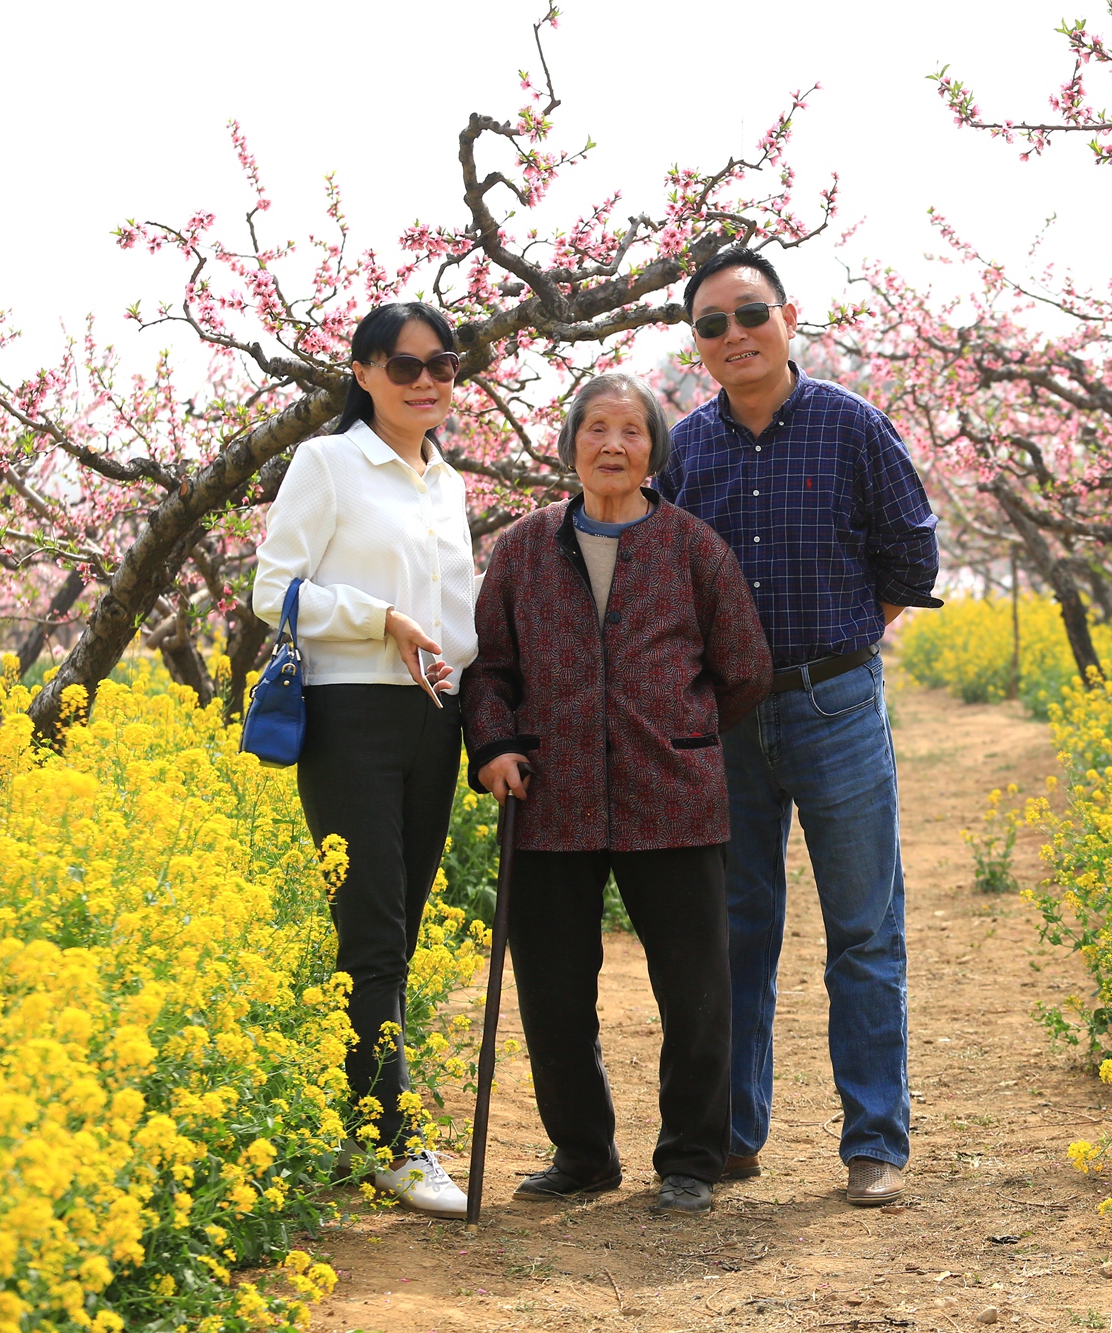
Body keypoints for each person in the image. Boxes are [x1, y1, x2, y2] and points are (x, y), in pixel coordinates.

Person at [657, 248, 942, 1207]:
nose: (733, 334)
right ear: (696, 343)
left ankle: (874, 1141)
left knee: (863, 929)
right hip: (726, 717)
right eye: (711, 324)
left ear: (787, 317)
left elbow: (912, 553)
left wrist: (844, 646)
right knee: (737, 932)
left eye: (749, 314)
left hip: (836, 704)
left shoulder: (853, 425)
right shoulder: (684, 449)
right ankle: (734, 1134)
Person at [463, 371, 772, 1215]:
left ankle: (691, 1158)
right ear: (570, 446)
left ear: (653, 451)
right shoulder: (525, 547)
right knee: (556, 993)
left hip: (670, 793)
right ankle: (584, 1153)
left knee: (697, 991)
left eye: (631, 431)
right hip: (550, 796)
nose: (612, 445)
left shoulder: (694, 547)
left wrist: (682, 730)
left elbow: (743, 666)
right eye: (595, 428)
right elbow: (489, 667)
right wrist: (492, 743)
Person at [253, 301, 477, 1218]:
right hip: (350, 716)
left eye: (443, 365)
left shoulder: (448, 481)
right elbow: (274, 589)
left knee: (401, 929)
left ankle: (362, 1115)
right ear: (365, 371)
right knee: (374, 930)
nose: (426, 381)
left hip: (437, 720)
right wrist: (377, 618)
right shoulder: (329, 462)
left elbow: (459, 614)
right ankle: (391, 1138)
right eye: (404, 365)